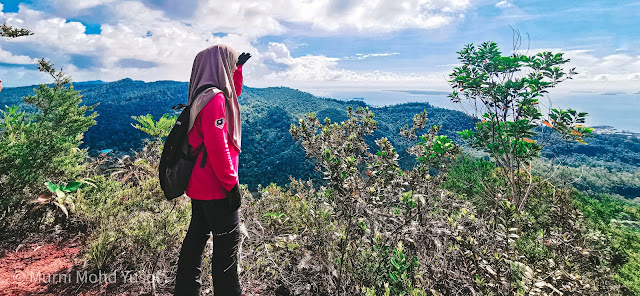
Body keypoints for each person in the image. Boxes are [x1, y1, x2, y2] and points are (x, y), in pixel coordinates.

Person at [174, 44, 251, 296]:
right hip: (216, 188)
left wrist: (237, 70)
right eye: (229, 63)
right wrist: (231, 185)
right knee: (226, 253)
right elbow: (218, 148)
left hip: (198, 186)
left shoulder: (202, 95)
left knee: (195, 242)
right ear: (220, 66)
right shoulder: (215, 99)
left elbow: (233, 93)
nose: (230, 68)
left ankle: (186, 291)